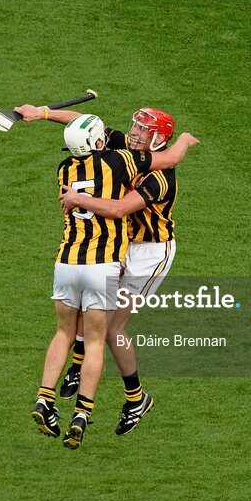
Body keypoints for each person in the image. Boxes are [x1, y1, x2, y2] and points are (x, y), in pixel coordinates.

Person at [28, 113, 199, 449]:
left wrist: (79, 199)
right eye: (134, 127)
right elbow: (88, 122)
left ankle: (136, 399)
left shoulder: (160, 177)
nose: (132, 133)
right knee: (91, 319)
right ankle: (80, 367)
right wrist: (44, 113)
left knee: (110, 329)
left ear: (156, 139)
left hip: (150, 254)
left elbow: (121, 209)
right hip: (118, 248)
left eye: (141, 130)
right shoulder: (126, 150)